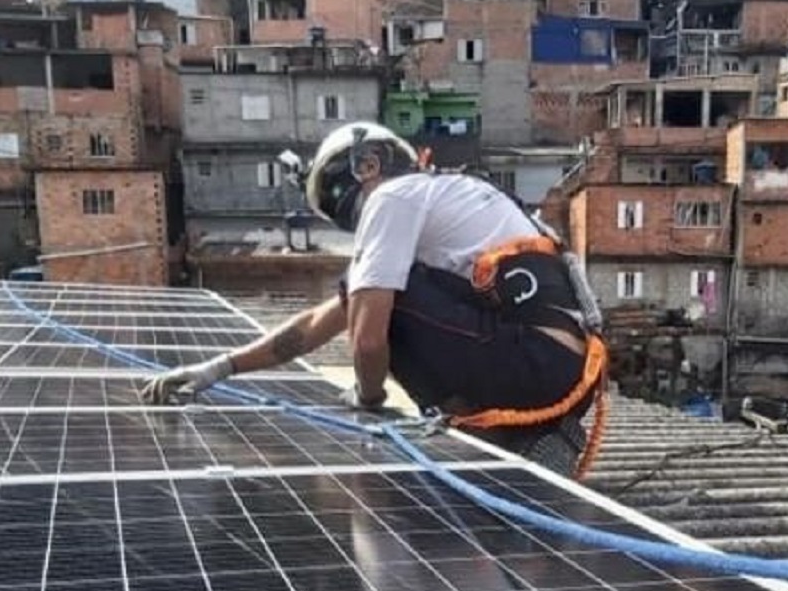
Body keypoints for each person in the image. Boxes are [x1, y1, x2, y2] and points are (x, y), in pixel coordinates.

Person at [140, 122, 609, 477]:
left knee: (382, 309)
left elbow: (366, 340)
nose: (355, 224)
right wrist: (218, 368)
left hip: (535, 363)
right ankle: (529, 432)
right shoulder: (448, 199)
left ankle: (499, 436)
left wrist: (369, 397)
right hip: (561, 372)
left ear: (368, 167)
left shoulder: (394, 198)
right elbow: (316, 324)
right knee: (375, 299)